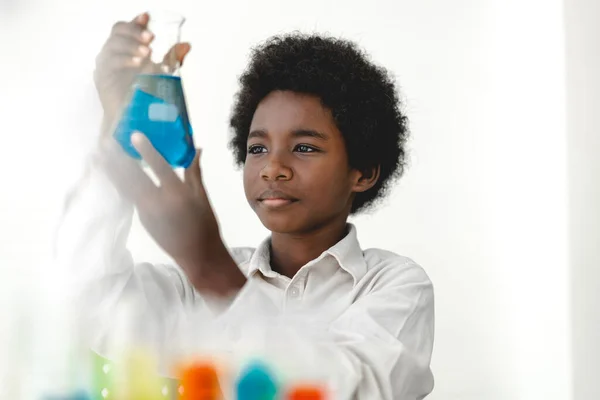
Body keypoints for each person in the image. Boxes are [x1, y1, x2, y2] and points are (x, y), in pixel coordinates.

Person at [55, 12, 435, 400]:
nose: (273, 168)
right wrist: (120, 124)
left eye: (304, 147)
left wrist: (211, 268)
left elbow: (347, 390)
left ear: (364, 171)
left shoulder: (395, 285)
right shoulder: (188, 291)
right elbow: (87, 299)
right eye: (257, 148)